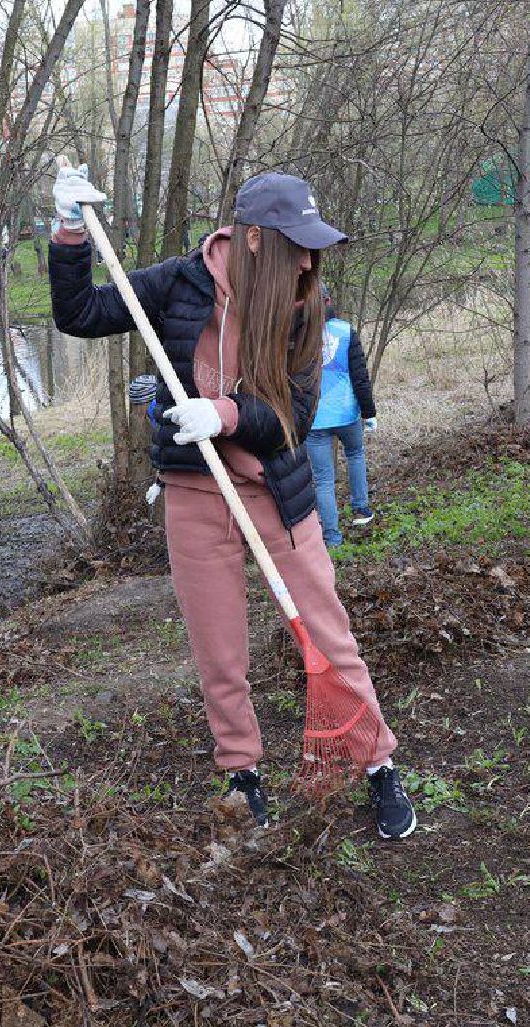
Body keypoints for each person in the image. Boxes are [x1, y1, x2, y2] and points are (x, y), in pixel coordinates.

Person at [48, 166, 416, 840]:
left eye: (313, 246)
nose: (308, 259)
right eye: (295, 244)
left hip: (276, 489)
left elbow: (295, 419)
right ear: (251, 241)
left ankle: (376, 761)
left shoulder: (306, 302)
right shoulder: (178, 282)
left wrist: (221, 413)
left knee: (329, 635)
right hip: (196, 491)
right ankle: (242, 771)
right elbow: (81, 314)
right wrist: (70, 234)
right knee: (220, 650)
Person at [305, 293, 377, 548]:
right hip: (347, 413)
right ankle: (361, 509)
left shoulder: (298, 335)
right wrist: (369, 412)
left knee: (323, 478)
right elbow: (360, 377)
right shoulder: (346, 331)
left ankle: (332, 537)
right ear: (329, 301)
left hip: (314, 419)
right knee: (355, 454)